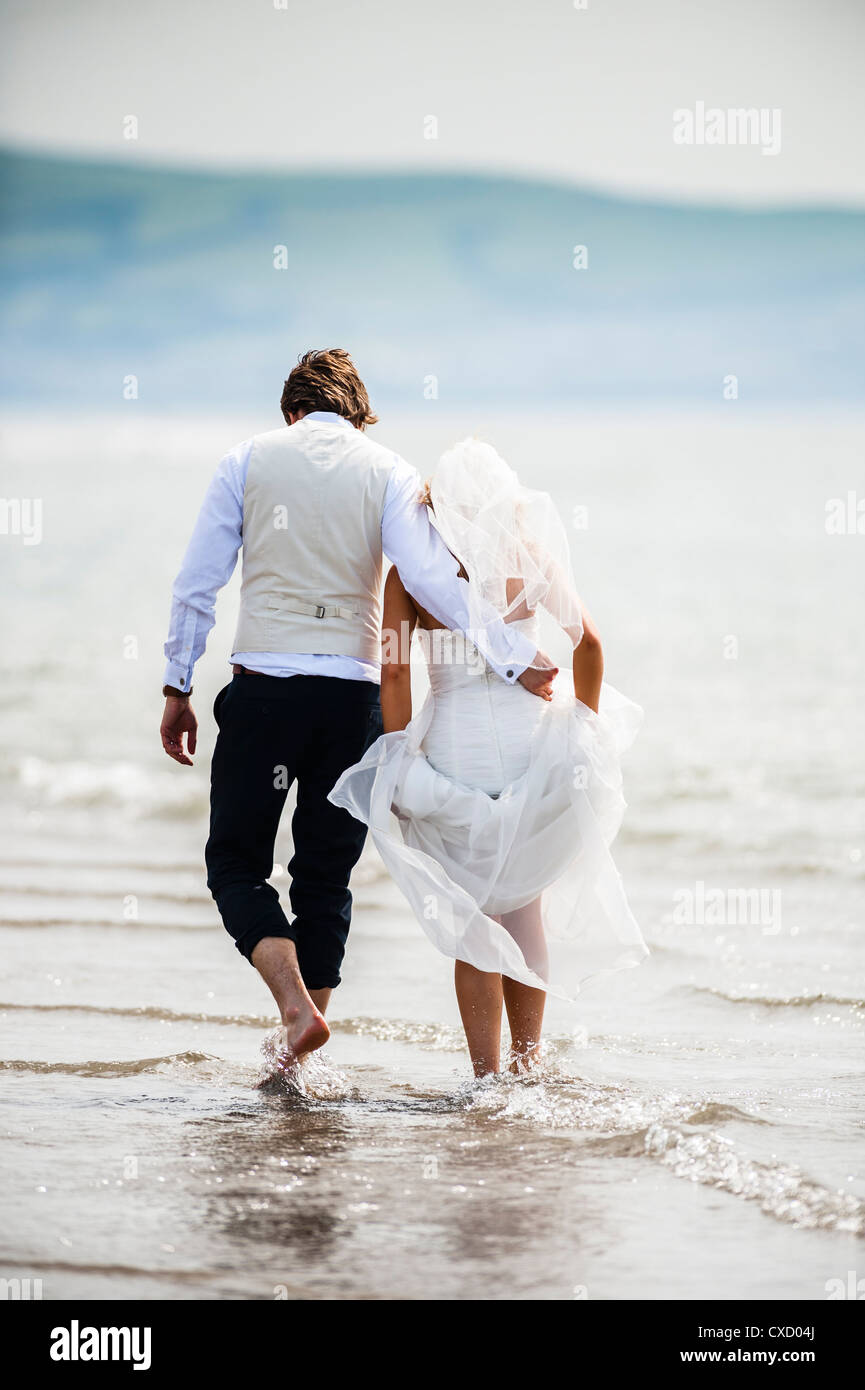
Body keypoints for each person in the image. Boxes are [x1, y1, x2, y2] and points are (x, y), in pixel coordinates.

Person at [159, 351, 555, 1063]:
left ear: (290, 410)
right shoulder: (389, 471)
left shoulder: (245, 462)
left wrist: (176, 684)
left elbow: (197, 584)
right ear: (358, 413)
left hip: (264, 692)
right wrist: (514, 658)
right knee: (324, 875)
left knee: (237, 866)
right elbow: (434, 580)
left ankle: (292, 1010)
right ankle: (300, 1049)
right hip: (351, 699)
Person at [330, 438, 648, 1076]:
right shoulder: (531, 559)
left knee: (473, 913)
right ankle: (528, 1069)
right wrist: (583, 721)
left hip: (452, 754)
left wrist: (396, 754)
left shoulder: (411, 578)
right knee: (524, 904)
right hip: (533, 748)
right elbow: (587, 642)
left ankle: (486, 1078)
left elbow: (393, 674)